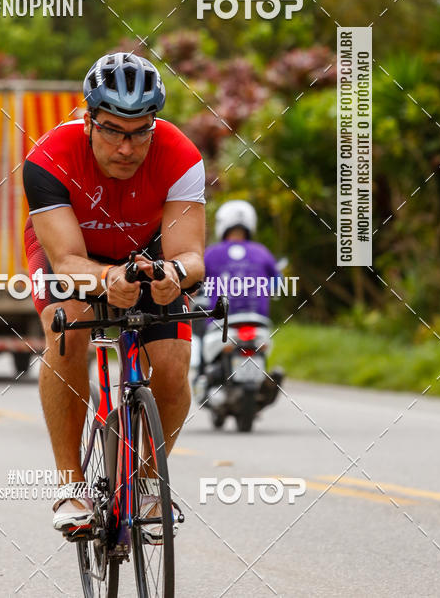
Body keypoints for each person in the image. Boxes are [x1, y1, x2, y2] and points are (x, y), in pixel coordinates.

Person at [22, 52, 205, 538]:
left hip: (145, 252)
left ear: (154, 124)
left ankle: (146, 483)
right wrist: (106, 281)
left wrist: (172, 273)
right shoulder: (48, 157)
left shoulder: (181, 155)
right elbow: (65, 262)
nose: (127, 147)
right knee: (66, 331)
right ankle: (70, 486)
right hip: (71, 248)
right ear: (88, 121)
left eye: (140, 131)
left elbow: (191, 257)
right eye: (112, 130)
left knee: (171, 363)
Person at [193, 200, 283, 401]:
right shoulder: (261, 251)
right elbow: (278, 283)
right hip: (257, 320)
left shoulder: (212, 253)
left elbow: (195, 281)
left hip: (222, 321)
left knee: (199, 337)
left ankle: (201, 378)